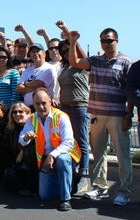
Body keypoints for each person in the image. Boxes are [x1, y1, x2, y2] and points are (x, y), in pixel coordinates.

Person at [67, 27, 133, 206]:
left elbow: (131, 91)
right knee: (98, 153)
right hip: (97, 114)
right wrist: (73, 42)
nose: (105, 44)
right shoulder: (96, 60)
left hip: (118, 115)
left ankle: (124, 191)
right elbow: (75, 62)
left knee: (122, 154)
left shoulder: (126, 61)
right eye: (102, 40)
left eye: (109, 40)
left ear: (116, 41)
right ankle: (99, 187)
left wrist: (129, 114)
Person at [18, 88, 81, 211]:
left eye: (44, 103)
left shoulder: (61, 117)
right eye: (37, 104)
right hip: (46, 159)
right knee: (45, 196)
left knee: (62, 160)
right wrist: (26, 137)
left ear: (50, 102)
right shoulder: (32, 118)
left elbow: (68, 142)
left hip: (64, 155)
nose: (41, 107)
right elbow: (21, 139)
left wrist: (52, 155)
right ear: (33, 104)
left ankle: (65, 199)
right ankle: (67, 183)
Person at [54, 21, 91, 193]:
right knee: (69, 141)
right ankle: (72, 171)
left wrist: (66, 31)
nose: (65, 53)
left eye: (68, 50)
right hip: (65, 108)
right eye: (63, 51)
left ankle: (83, 174)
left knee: (82, 140)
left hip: (79, 107)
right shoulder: (65, 68)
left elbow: (75, 43)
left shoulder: (82, 65)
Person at [3, 102, 36, 195]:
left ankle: (31, 187)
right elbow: (7, 147)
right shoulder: (10, 128)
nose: (17, 114)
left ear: (27, 113)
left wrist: (22, 151)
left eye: (21, 112)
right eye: (14, 112)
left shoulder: (33, 125)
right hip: (16, 160)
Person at [16, 43, 56, 109]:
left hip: (44, 107)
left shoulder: (49, 68)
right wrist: (36, 88)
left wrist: (26, 83)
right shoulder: (27, 70)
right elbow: (18, 88)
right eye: (33, 52)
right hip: (28, 107)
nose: (35, 54)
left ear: (44, 54)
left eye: (37, 51)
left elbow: (39, 83)